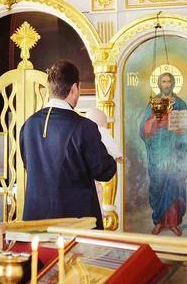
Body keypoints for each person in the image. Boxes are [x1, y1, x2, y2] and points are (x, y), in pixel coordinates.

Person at [20, 61, 117, 230]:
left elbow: (28, 164)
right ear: (74, 88)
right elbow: (104, 171)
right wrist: (111, 150)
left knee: (41, 257)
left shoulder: (28, 125)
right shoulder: (84, 126)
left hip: (35, 221)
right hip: (75, 222)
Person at [139, 72, 187, 237]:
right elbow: (143, 129)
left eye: (169, 81)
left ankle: (173, 223)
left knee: (174, 187)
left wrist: (183, 130)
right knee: (158, 186)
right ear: (159, 84)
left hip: (175, 153)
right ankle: (159, 222)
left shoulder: (180, 103)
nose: (166, 84)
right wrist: (155, 121)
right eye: (163, 81)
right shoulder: (153, 103)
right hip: (157, 153)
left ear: (173, 83)